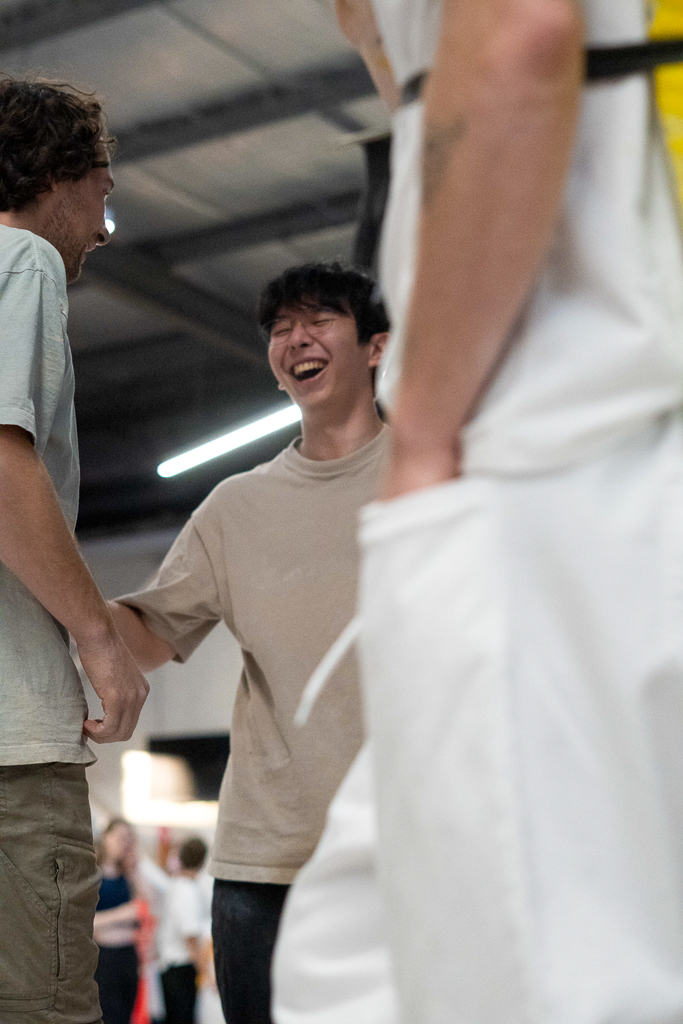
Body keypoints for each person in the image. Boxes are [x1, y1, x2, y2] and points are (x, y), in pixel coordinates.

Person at [273, 1, 683, 1023]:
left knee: (485, 967)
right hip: (605, 440)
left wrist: (419, 430)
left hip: (556, 440)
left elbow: (517, 35)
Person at [108, 261, 390, 1024]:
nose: (296, 339)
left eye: (319, 319)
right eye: (279, 328)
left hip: (411, 849)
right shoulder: (236, 507)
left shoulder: (431, 474)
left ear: (376, 346)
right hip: (265, 867)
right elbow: (147, 636)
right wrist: (56, 594)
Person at [0, 77, 149, 1024]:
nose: (104, 222)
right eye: (103, 187)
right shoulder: (20, 258)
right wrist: (99, 639)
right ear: (59, 174)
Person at [94, 819, 147, 1024]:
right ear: (106, 837)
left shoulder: (127, 875)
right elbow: (85, 923)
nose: (124, 843)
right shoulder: (94, 874)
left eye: (128, 839)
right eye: (120, 837)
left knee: (125, 1015)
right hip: (103, 957)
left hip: (128, 954)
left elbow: (145, 907)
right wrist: (121, 915)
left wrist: (134, 870)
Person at [158, 836, 210, 1024]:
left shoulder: (177, 885)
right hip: (180, 969)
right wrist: (206, 972)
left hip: (172, 967)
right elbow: (190, 937)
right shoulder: (188, 891)